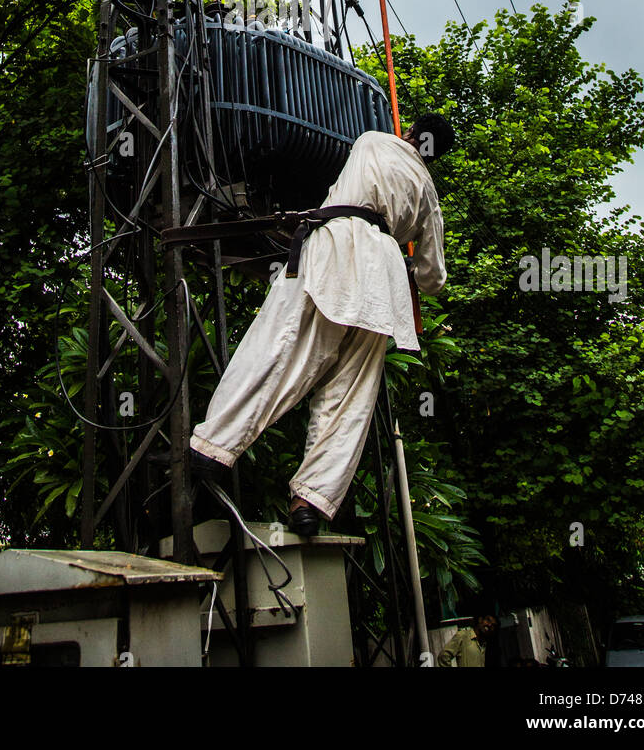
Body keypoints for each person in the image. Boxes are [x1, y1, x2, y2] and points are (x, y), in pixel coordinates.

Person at [189, 112, 454, 536]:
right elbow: (433, 278)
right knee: (350, 395)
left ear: (408, 133)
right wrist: (409, 263)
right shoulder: (428, 193)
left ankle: (214, 448)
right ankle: (312, 500)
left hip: (337, 245)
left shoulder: (372, 140)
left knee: (281, 349)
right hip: (382, 280)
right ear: (435, 156)